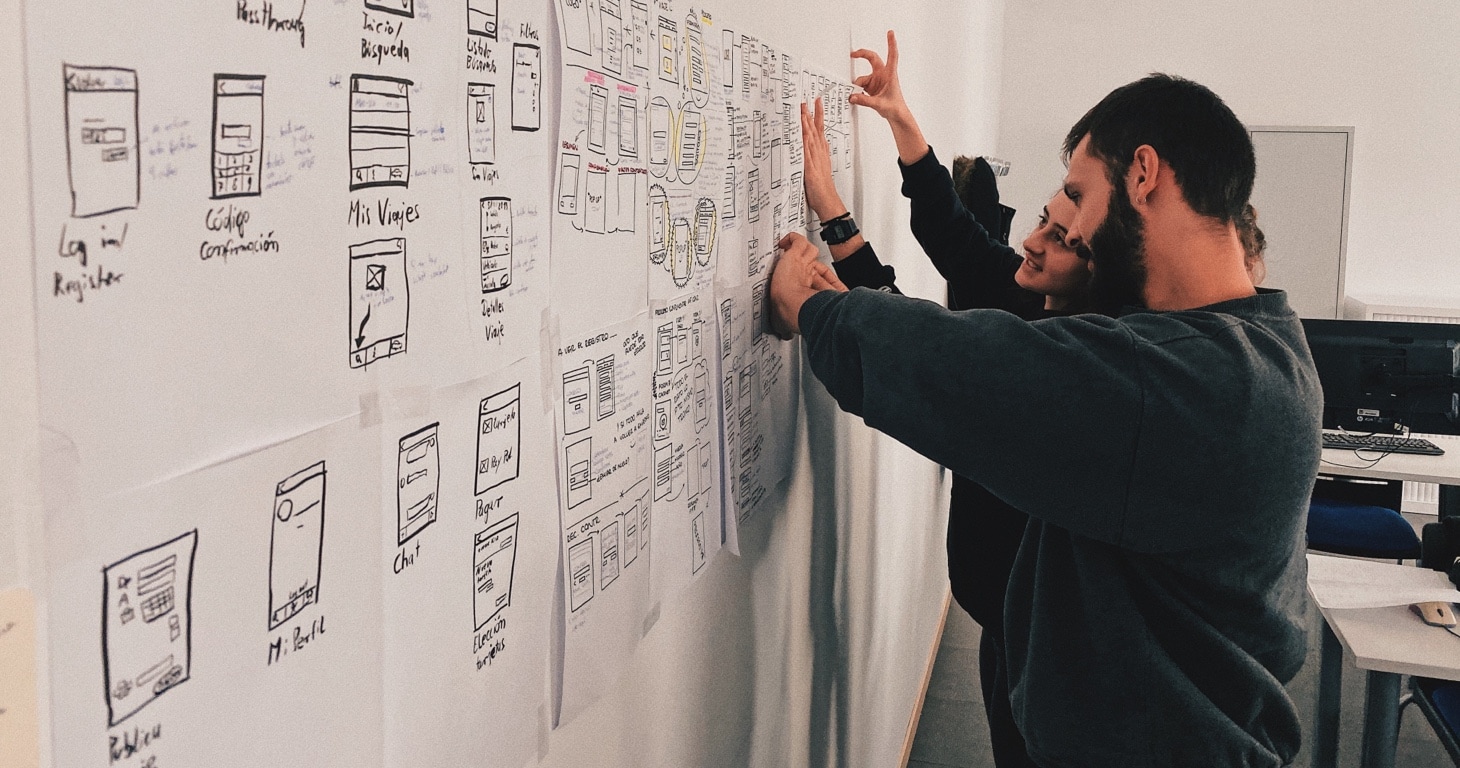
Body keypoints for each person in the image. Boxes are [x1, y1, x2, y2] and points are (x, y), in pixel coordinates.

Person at [772, 72, 1321, 767]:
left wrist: (813, 309)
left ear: (1144, 175)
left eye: (1081, 197)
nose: (1071, 233)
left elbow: (967, 371)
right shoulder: (1259, 343)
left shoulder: (1190, 381)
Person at [801, 79, 1090, 766]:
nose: (1031, 239)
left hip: (1041, 645)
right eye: (1043, 219)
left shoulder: (1050, 367)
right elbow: (953, 236)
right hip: (1004, 616)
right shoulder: (1031, 294)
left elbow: (913, 350)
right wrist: (902, 124)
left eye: (1057, 234)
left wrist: (830, 252)